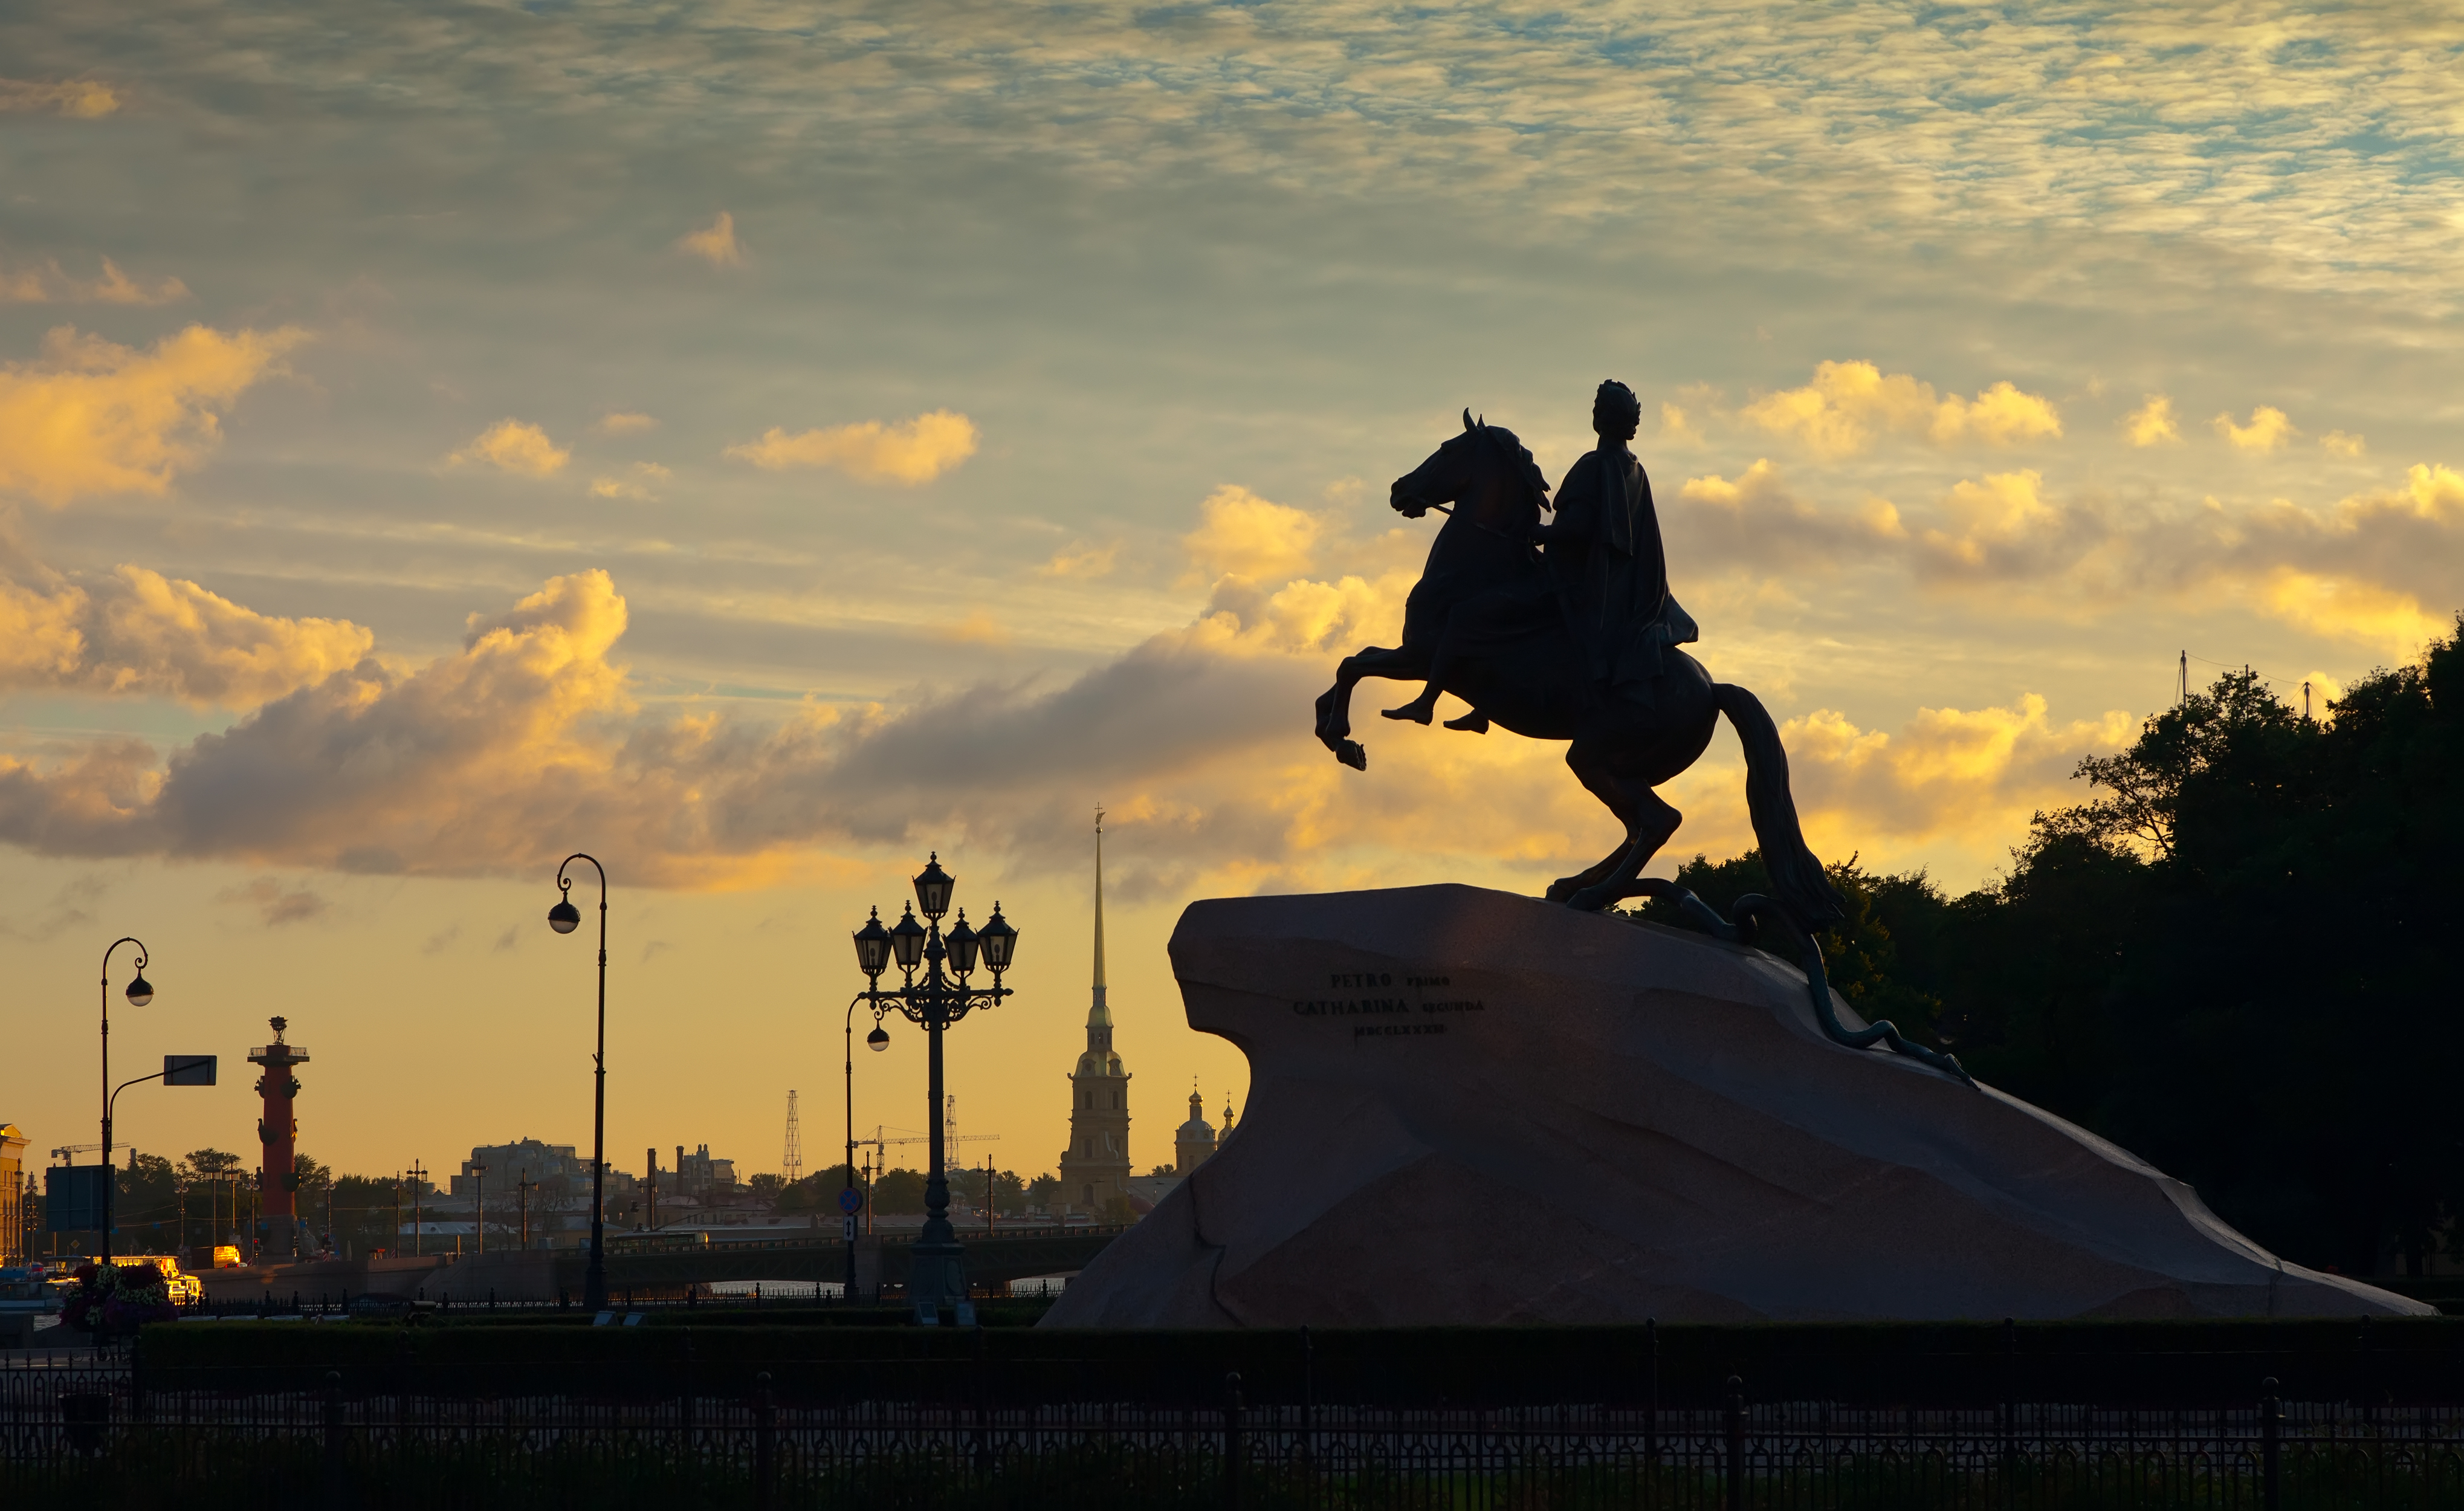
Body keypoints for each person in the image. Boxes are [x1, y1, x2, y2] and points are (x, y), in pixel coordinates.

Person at [1382, 380, 1693, 730]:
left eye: (1597, 408)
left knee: (1466, 616)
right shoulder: (1634, 469)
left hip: (1568, 584)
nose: (1594, 413)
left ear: (1602, 418)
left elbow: (1580, 528)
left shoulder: (1596, 465)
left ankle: (1426, 703)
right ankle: (1483, 708)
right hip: (1597, 582)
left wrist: (1540, 533)